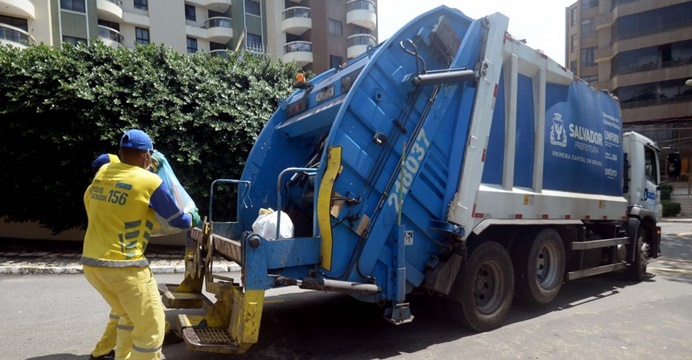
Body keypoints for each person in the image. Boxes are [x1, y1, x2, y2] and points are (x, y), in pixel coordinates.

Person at [81, 129, 201, 360]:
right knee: (152, 329)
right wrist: (193, 217)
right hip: (125, 267)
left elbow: (102, 160)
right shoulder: (149, 181)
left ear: (120, 152)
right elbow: (178, 220)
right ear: (147, 156)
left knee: (126, 315)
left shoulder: (104, 172)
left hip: (92, 265)